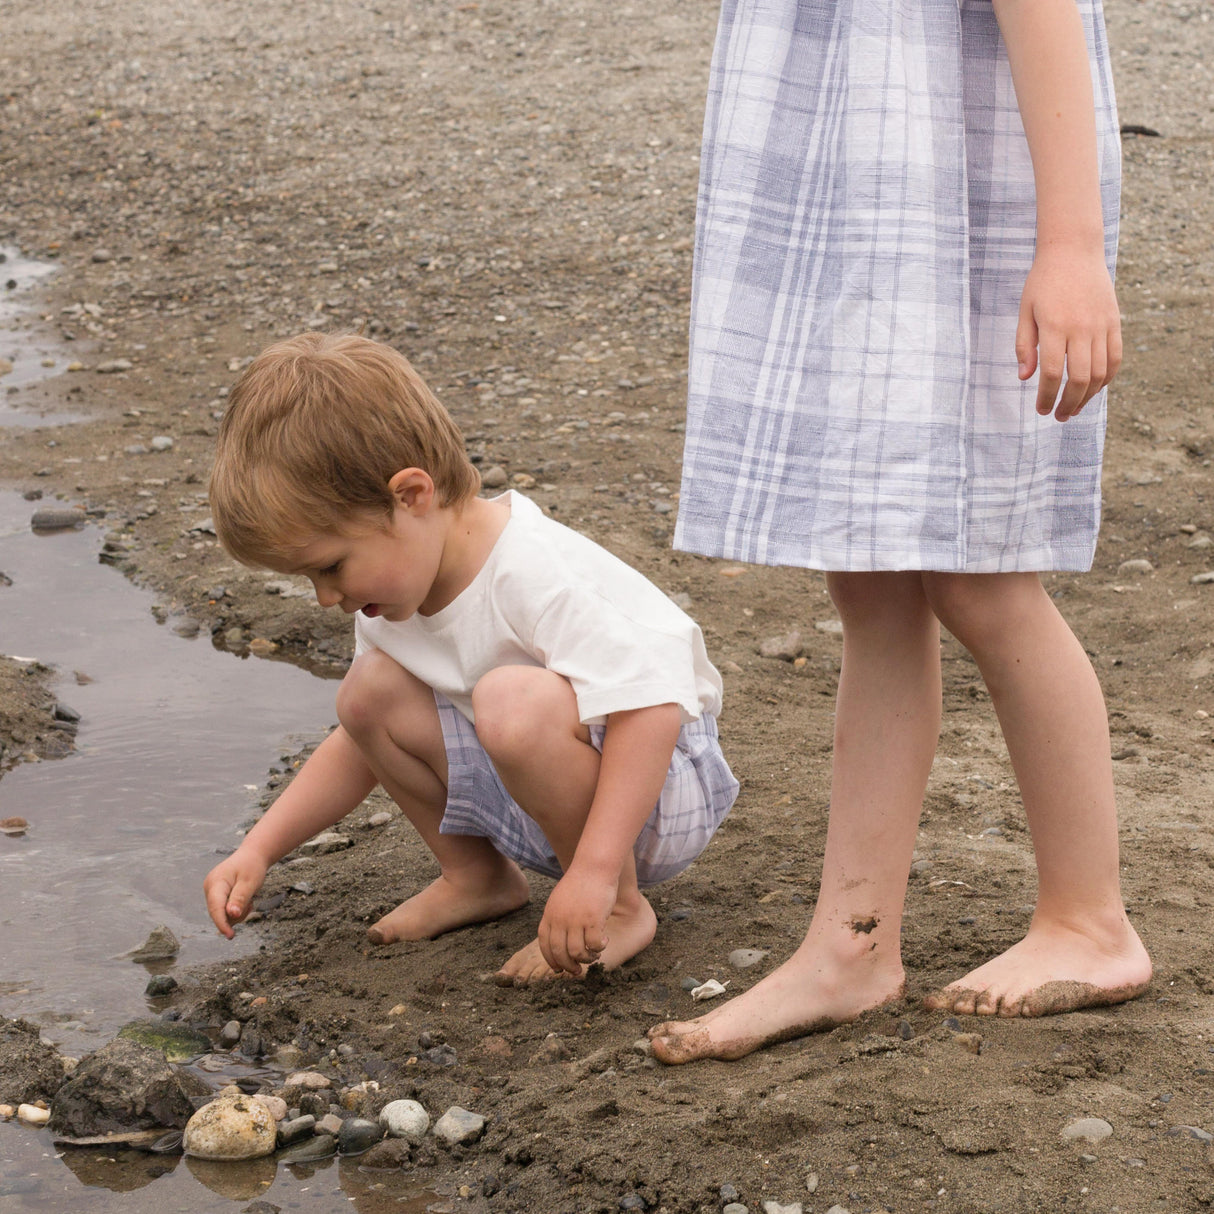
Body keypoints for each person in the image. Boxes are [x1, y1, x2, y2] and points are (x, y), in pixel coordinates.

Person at [648, 0, 1152, 1063]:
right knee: (870, 571)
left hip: (957, 173)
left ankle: (1086, 917)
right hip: (849, 171)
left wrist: (1068, 244)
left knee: (982, 575)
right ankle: (850, 943)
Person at [202, 333, 738, 984]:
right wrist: (259, 849)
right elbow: (356, 743)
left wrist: (595, 872)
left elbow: (651, 707)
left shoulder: (530, 571)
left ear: (412, 496)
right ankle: (478, 878)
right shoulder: (397, 589)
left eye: (330, 567)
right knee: (367, 693)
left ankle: (622, 909)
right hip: (549, 780)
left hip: (660, 783)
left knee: (511, 700)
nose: (324, 598)